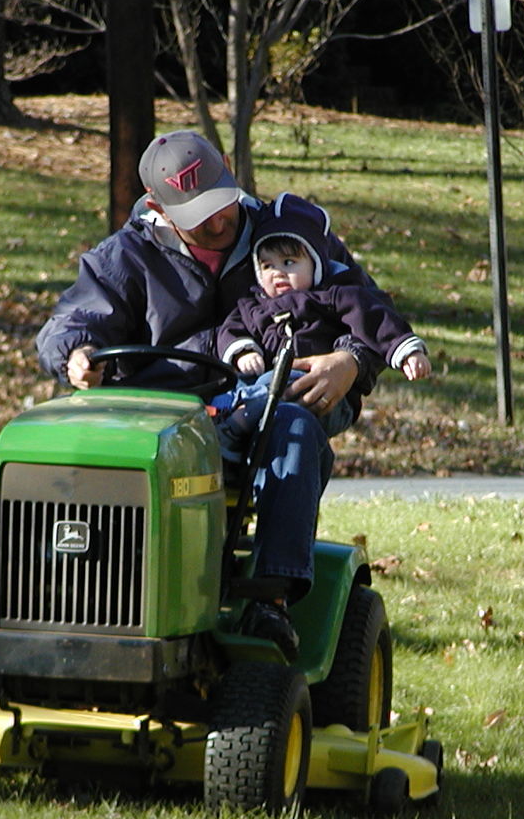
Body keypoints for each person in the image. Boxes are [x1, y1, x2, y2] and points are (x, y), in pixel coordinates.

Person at [36, 130, 384, 660]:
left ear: (227, 166)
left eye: (221, 203)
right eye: (199, 215)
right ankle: (73, 587)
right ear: (158, 206)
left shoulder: (289, 235)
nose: (219, 222)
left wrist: (351, 362)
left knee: (287, 420)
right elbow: (73, 320)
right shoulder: (126, 256)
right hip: (169, 409)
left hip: (283, 390)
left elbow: (373, 311)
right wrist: (76, 354)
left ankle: (271, 598)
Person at [212, 192, 430, 456]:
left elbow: (376, 318)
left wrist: (407, 351)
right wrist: (243, 349)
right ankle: (235, 423)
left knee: (281, 381)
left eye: (289, 262)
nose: (278, 272)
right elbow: (230, 329)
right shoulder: (253, 305)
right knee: (252, 387)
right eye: (267, 266)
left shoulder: (334, 296)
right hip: (269, 389)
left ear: (315, 263)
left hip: (324, 394)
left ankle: (235, 421)